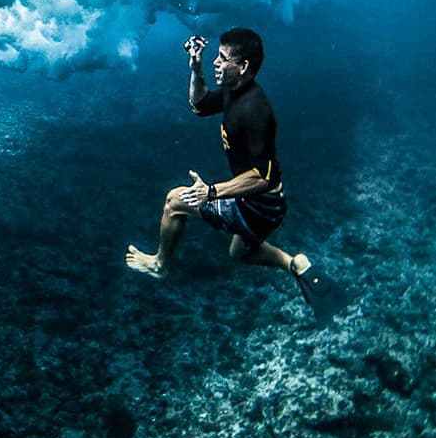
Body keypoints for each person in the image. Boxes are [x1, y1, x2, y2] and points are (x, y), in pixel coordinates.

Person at [124, 27, 340, 318]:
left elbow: (263, 177)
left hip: (259, 207)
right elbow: (198, 105)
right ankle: (295, 264)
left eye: (223, 58)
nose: (216, 62)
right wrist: (196, 68)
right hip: (267, 206)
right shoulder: (232, 90)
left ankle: (160, 265)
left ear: (243, 66)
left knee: (175, 201)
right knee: (238, 252)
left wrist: (212, 191)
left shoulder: (255, 110)